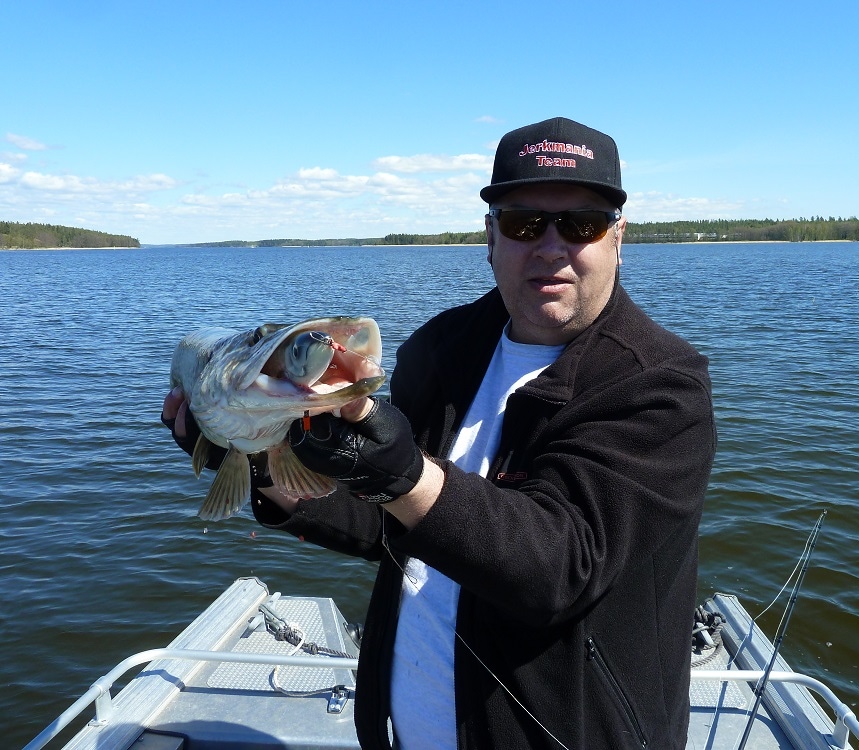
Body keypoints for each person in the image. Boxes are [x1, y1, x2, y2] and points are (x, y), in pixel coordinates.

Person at [162, 116, 716, 750]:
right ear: (491, 237)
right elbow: (391, 524)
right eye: (524, 223)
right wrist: (263, 466)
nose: (551, 246)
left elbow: (562, 567)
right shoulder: (444, 347)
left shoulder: (661, 386)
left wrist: (401, 472)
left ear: (618, 237)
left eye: (582, 224)